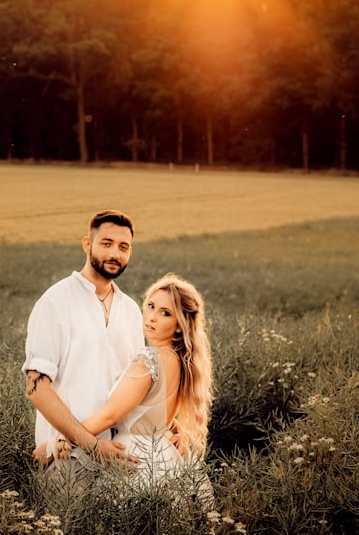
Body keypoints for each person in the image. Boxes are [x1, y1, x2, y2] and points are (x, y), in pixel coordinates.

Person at [38, 273, 215, 498]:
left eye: (166, 313)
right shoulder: (181, 362)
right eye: (151, 306)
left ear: (179, 326)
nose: (152, 317)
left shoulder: (148, 360)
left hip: (134, 460)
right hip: (164, 456)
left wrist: (56, 443)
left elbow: (110, 416)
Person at [23, 210, 145, 478]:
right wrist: (91, 444)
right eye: (106, 243)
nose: (115, 253)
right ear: (87, 245)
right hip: (65, 459)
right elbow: (36, 389)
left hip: (120, 455)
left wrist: (175, 428)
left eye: (123, 247)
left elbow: (140, 386)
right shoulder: (55, 302)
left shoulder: (131, 311)